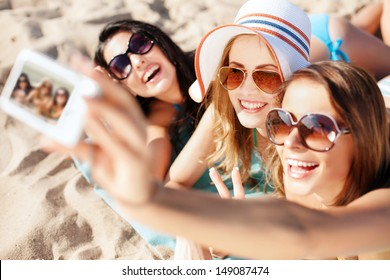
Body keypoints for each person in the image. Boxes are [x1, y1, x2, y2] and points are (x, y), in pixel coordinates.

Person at [44, 60, 390, 260]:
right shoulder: (302, 179)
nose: (293, 143)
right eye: (283, 122)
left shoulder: (382, 210)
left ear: (364, 135)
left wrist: (153, 202)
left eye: (318, 128)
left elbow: (303, 232)